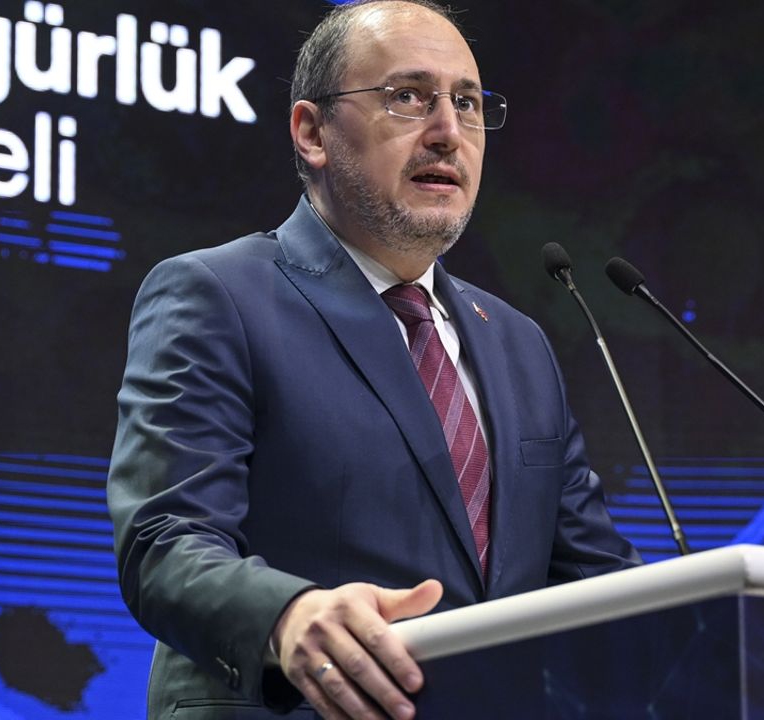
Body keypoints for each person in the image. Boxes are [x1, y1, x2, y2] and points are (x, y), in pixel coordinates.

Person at [107, 1, 641, 718]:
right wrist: (288, 615)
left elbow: (599, 583)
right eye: (408, 97)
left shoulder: (518, 344)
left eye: (467, 103)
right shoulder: (217, 295)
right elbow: (165, 542)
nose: (448, 132)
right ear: (312, 132)